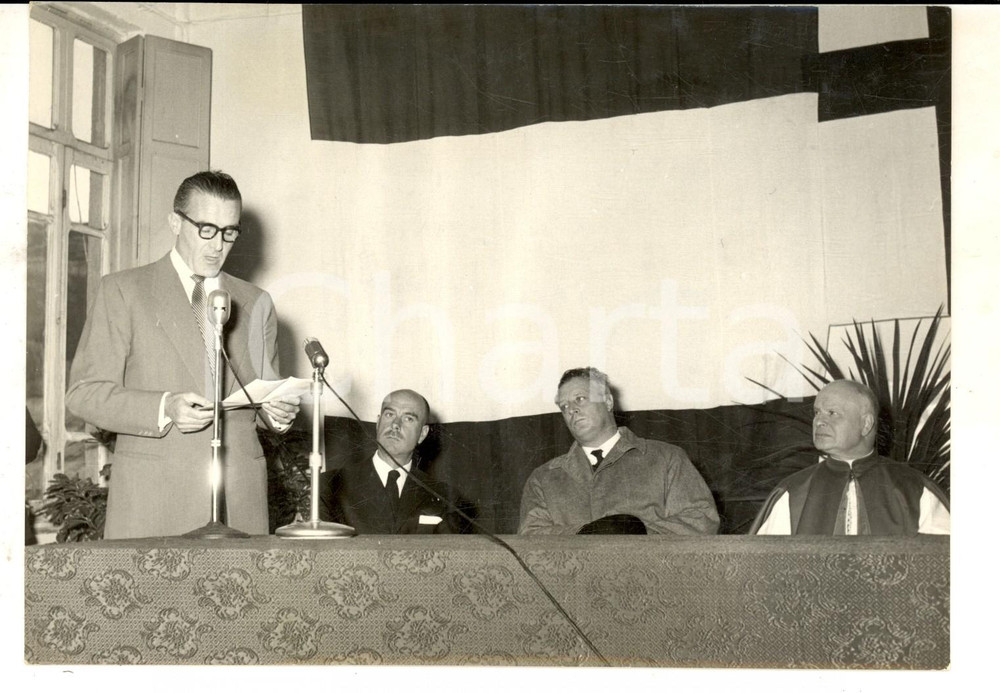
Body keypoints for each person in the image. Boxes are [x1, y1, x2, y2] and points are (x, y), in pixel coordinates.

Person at [66, 171, 300, 539]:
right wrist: (164, 407)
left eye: (229, 232)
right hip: (155, 500)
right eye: (205, 229)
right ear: (175, 222)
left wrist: (278, 414)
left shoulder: (257, 303)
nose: (217, 245)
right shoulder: (124, 291)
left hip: (238, 502)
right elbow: (84, 393)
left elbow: (264, 402)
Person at [519, 367, 719, 535]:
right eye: (564, 406)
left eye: (580, 399)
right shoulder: (544, 478)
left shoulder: (666, 458)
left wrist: (637, 533)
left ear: (607, 402)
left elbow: (701, 520)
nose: (571, 409)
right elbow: (531, 535)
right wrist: (586, 533)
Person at [750, 379, 950, 535]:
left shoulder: (914, 489)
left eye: (832, 413)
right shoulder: (793, 492)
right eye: (817, 412)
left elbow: (943, 566)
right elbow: (764, 568)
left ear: (866, 424)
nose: (819, 421)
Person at [318, 389, 470, 534]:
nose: (395, 425)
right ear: (378, 423)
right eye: (390, 414)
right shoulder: (330, 485)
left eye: (408, 418)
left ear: (422, 434)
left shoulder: (444, 496)